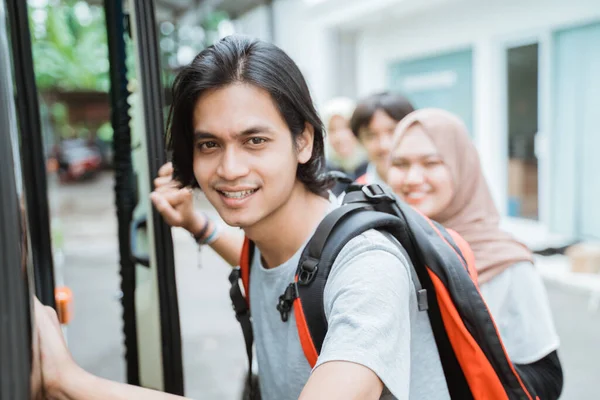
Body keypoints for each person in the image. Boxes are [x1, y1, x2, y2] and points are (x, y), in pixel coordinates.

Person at [34, 36, 452, 399]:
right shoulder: (270, 241)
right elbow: (267, 265)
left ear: (303, 140)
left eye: (255, 140)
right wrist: (196, 225)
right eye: (210, 145)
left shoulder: (368, 267)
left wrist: (69, 382)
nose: (230, 168)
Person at [386, 108, 563, 400]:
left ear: (462, 168)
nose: (413, 178)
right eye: (400, 163)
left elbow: (545, 377)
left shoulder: (505, 261)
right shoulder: (382, 247)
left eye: (431, 162)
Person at [349, 92, 414, 185]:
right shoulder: (352, 197)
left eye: (393, 131)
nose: (384, 145)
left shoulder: (436, 189)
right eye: (371, 136)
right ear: (359, 141)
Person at [321, 97, 367, 195]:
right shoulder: (322, 174)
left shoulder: (373, 169)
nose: (339, 137)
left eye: (346, 127)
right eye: (332, 130)